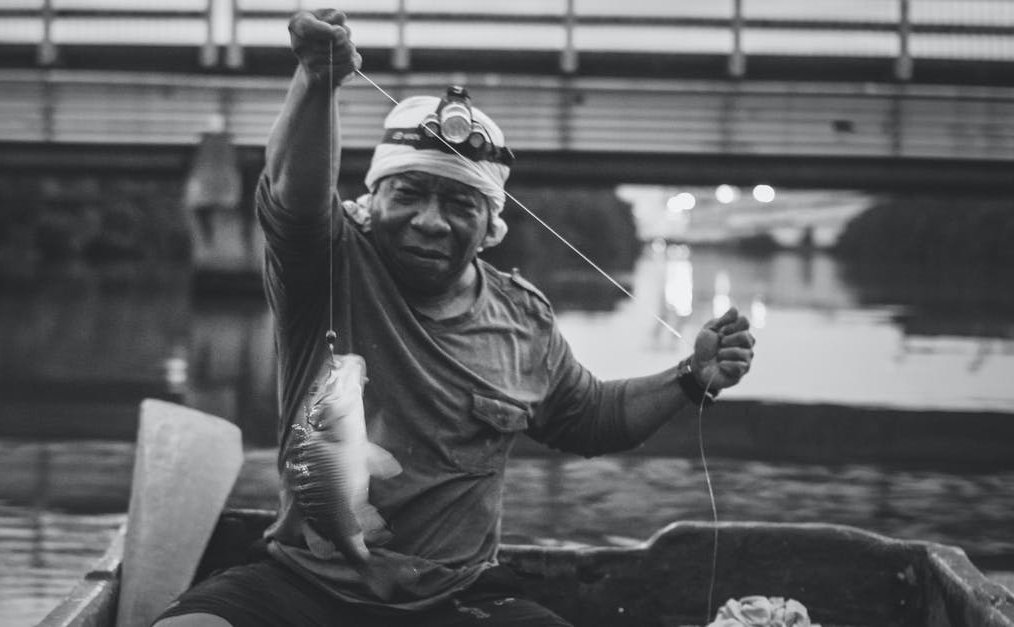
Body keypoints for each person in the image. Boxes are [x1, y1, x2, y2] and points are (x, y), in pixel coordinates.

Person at [155, 8, 755, 627]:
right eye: (408, 193)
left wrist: (689, 377)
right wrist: (316, 80)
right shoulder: (328, 263)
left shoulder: (524, 320)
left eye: (458, 202)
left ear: (491, 223)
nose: (429, 221)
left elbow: (592, 420)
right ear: (373, 198)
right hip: (303, 583)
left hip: (458, 599)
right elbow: (294, 196)